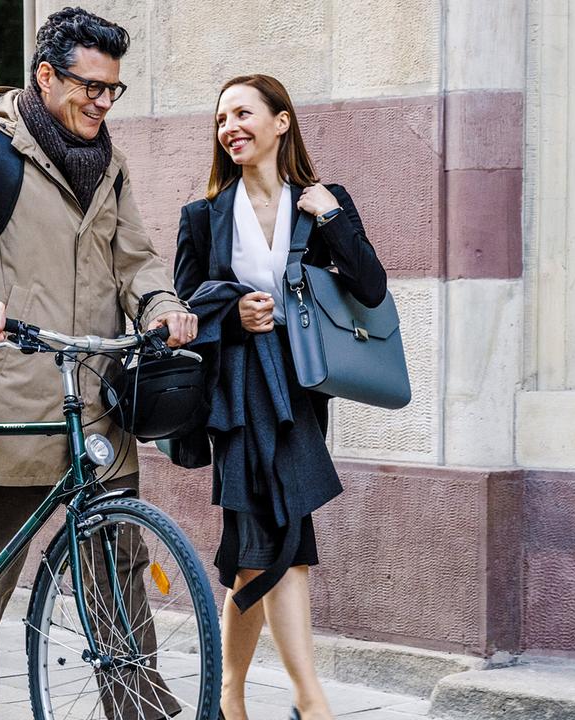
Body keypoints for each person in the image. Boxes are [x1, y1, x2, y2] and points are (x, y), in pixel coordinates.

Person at [0, 7, 198, 720]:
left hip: (96, 396)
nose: (102, 100)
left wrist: (163, 306)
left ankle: (139, 709)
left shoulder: (111, 166)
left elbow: (137, 263)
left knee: (120, 568)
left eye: (113, 89)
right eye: (90, 85)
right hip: (16, 394)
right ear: (45, 75)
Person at [173, 74, 387, 720]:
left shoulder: (321, 204)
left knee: (253, 550)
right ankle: (310, 701)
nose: (229, 127)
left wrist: (330, 214)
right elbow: (182, 309)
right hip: (237, 399)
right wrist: (236, 313)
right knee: (283, 537)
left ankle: (228, 696)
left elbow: (371, 289)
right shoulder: (203, 217)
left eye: (242, 113)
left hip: (299, 396)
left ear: (281, 122)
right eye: (220, 119)